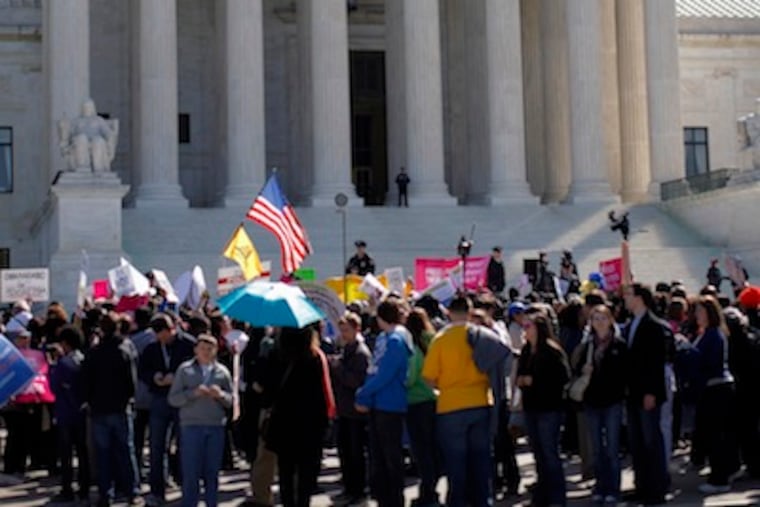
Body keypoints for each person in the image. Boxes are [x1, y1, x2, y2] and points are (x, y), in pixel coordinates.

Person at [422, 297, 493, 507]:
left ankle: (458, 502)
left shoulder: (441, 339)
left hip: (450, 405)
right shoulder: (482, 335)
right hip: (480, 401)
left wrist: (438, 391)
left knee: (455, 461)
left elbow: (428, 376)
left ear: (449, 313)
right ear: (470, 312)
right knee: (480, 459)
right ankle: (482, 501)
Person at [265, 326, 335, 507]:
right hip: (310, 423)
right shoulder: (315, 357)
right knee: (306, 473)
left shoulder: (276, 355)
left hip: (283, 421)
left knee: (285, 472)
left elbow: (269, 391)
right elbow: (323, 391)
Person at [355, 299, 412, 507]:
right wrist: (366, 395)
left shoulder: (397, 339)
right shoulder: (383, 338)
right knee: (378, 458)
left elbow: (386, 373)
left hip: (391, 404)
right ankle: (383, 498)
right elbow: (373, 369)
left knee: (391, 458)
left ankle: (394, 500)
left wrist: (363, 393)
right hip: (378, 403)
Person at [83, 312, 141, 507]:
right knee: (126, 452)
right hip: (120, 407)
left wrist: (90, 400)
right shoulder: (125, 350)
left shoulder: (94, 352)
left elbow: (86, 381)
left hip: (99, 408)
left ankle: (105, 494)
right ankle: (132, 492)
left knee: (103, 454)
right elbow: (132, 383)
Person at [168, 334, 233, 507]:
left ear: (215, 351)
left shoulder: (222, 372)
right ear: (195, 350)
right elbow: (173, 399)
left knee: (212, 473)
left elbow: (231, 400)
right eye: (202, 348)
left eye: (209, 349)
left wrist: (220, 395)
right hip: (191, 426)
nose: (205, 352)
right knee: (191, 472)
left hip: (215, 426)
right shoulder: (184, 370)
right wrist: (192, 393)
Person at [573, 305, 628, 505]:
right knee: (596, 449)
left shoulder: (619, 345)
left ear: (610, 320)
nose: (599, 322)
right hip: (592, 401)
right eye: (595, 318)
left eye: (603, 318)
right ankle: (600, 486)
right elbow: (576, 368)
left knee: (612, 448)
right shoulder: (588, 345)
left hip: (612, 401)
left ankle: (613, 489)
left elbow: (624, 373)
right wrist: (584, 370)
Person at [139, 313, 195, 507]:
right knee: (156, 446)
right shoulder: (152, 348)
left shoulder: (188, 344)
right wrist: (154, 377)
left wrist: (179, 378)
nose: (162, 337)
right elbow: (142, 370)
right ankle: (157, 491)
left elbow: (197, 369)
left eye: (164, 333)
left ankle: (187, 490)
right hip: (160, 398)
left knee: (185, 445)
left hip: (183, 399)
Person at [622, 283, 670, 505]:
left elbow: (655, 362)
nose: (625, 298)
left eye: (629, 294)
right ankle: (642, 485)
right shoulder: (632, 323)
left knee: (652, 441)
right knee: (637, 442)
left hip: (647, 393)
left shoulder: (653, 325)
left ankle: (657, 488)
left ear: (640, 298)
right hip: (633, 393)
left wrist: (651, 392)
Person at [516, 311, 570, 507]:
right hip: (531, 408)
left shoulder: (552, 351)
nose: (525, 330)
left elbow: (562, 378)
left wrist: (534, 380)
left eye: (528, 326)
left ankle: (557, 498)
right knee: (538, 453)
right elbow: (520, 374)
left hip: (549, 408)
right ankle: (542, 495)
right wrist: (522, 380)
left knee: (549, 453)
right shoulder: (526, 351)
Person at [691, 296, 740, 494]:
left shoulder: (713, 335)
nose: (697, 316)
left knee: (716, 435)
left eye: (700, 312)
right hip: (714, 388)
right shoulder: (709, 333)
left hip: (716, 389)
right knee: (718, 434)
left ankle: (720, 479)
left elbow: (710, 363)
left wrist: (690, 355)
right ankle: (728, 470)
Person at [330, 312, 372, 505]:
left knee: (355, 453)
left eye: (346, 330)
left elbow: (357, 381)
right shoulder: (346, 350)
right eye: (341, 330)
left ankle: (358, 489)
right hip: (344, 410)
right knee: (345, 451)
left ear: (356, 330)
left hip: (355, 411)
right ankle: (348, 487)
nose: (343, 334)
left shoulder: (360, 353)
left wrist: (338, 368)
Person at [50, 325, 90, 504]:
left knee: (66, 454)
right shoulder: (84, 360)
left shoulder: (62, 364)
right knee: (83, 452)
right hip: (82, 412)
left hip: (65, 412)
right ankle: (84, 488)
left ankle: (67, 488)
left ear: (65, 343)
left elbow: (54, 387)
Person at [404, 308, 440, 507]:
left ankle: (428, 493)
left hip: (416, 401)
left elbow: (410, 378)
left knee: (421, 452)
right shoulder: (433, 341)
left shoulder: (414, 348)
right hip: (433, 399)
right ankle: (430, 489)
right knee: (432, 450)